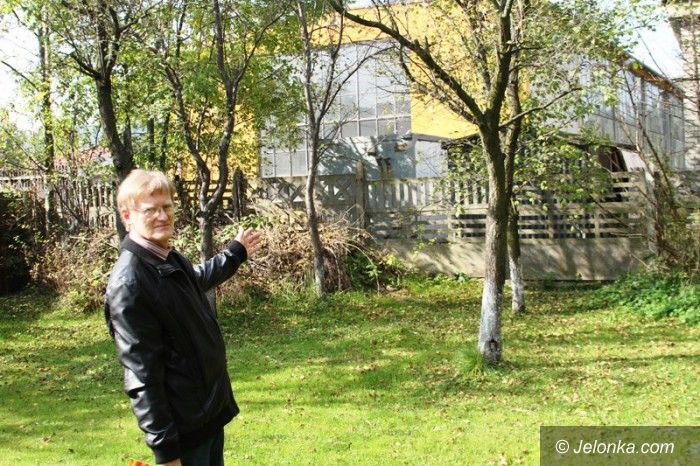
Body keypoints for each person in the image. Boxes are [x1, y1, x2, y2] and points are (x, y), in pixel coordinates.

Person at [104, 169, 263, 466]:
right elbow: (142, 376)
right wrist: (166, 453)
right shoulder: (130, 283)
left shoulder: (167, 258)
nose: (162, 216)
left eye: (167, 207)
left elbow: (195, 279)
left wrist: (233, 254)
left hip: (207, 417)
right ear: (127, 217)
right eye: (150, 210)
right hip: (184, 434)